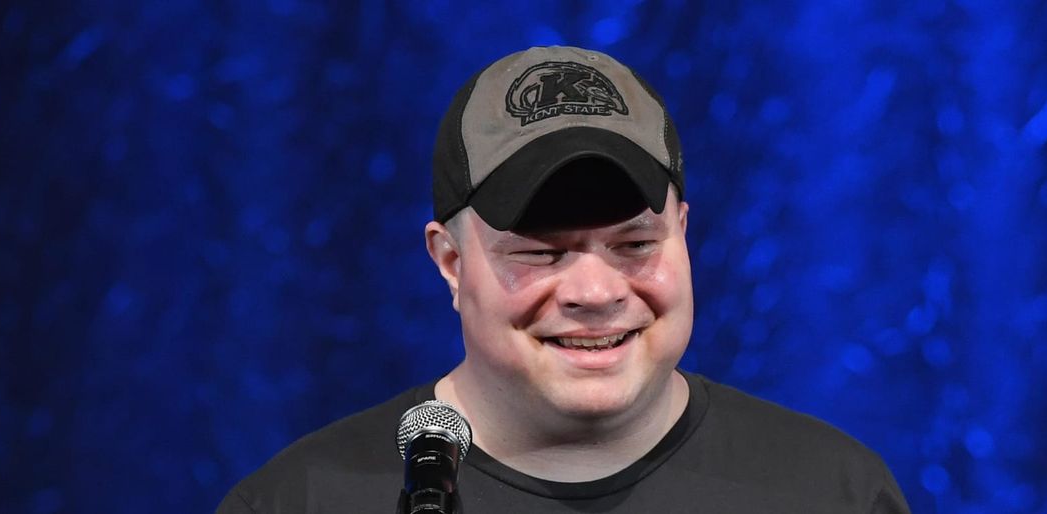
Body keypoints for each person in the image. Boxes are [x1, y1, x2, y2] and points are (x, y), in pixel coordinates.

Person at [216, 45, 911, 513]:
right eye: (541, 253)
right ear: (450, 262)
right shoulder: (302, 501)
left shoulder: (833, 494)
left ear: (684, 234)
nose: (596, 292)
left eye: (635, 243)